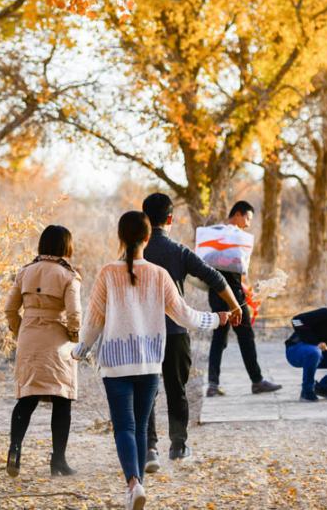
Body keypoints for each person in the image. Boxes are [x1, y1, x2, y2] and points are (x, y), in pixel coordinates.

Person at [72, 211, 230, 510]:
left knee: (124, 428)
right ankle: (138, 486)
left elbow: (93, 321)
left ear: (120, 237)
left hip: (116, 366)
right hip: (149, 364)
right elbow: (186, 317)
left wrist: (80, 350)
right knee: (142, 426)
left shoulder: (107, 272)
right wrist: (217, 319)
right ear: (147, 238)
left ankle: (133, 484)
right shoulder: (159, 275)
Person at [141, 193, 243, 469]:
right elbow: (215, 277)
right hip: (175, 330)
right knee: (177, 389)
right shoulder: (178, 251)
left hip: (142, 333)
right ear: (170, 219)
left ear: (144, 218)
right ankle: (178, 445)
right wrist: (234, 307)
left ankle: (150, 449)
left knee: (147, 391)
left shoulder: (135, 253)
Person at [4, 224, 81, 478]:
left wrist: (20, 331)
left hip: (29, 338)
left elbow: (9, 309)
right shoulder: (69, 276)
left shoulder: (24, 272)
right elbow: (74, 314)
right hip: (56, 340)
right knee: (62, 400)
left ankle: (15, 449)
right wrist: (73, 337)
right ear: (65, 247)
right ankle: (58, 460)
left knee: (26, 397)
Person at [206, 201, 282, 396]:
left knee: (219, 338)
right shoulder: (234, 238)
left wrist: (246, 288)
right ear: (238, 214)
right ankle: (257, 381)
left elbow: (222, 269)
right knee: (246, 337)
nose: (248, 224)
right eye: (247, 218)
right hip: (234, 299)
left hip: (216, 295)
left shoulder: (215, 236)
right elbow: (236, 270)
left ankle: (213, 385)